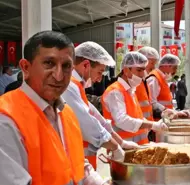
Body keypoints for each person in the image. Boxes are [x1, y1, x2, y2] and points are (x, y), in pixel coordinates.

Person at [0, 31, 109, 184]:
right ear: (25, 67)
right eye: (49, 63)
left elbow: (76, 163)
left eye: (66, 66)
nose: (58, 76)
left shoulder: (67, 113)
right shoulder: (6, 120)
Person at [62, 41, 139, 170]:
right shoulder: (69, 87)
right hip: (72, 165)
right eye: (99, 72)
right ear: (86, 65)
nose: (99, 79)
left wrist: (121, 142)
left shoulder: (76, 87)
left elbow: (98, 119)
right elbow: (88, 125)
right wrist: (115, 147)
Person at [101, 52, 169, 145]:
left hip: (137, 146)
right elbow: (122, 120)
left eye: (143, 70)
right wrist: (152, 124)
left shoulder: (130, 91)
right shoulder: (115, 92)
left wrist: (152, 125)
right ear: (126, 70)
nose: (142, 75)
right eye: (139, 70)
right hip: (124, 148)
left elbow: (137, 117)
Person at [146, 54, 190, 120]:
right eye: (174, 68)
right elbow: (152, 103)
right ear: (167, 65)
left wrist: (176, 112)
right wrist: (171, 112)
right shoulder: (154, 78)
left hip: (163, 119)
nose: (175, 72)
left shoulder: (162, 79)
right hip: (158, 121)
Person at [137, 46, 159, 141]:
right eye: (152, 63)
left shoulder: (144, 81)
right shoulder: (134, 83)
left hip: (146, 128)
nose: (153, 67)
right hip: (137, 130)